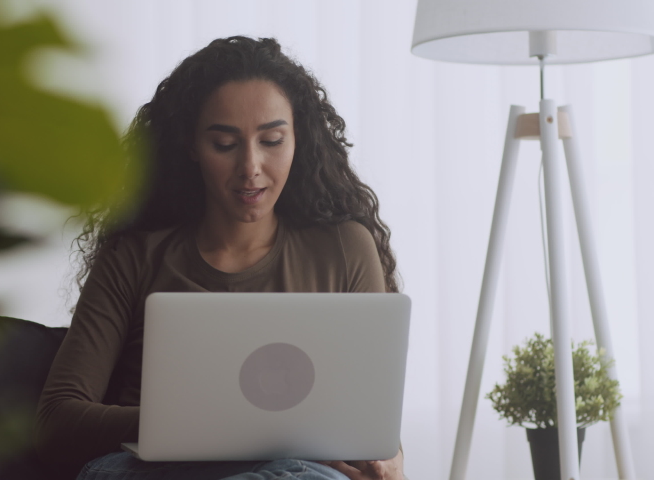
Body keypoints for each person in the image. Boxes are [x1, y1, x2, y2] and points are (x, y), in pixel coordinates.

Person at [35, 36, 404, 480]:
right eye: (225, 144)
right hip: (148, 468)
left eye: (271, 140)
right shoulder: (133, 256)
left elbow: (368, 419)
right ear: (191, 146)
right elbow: (57, 415)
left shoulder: (344, 247)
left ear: (298, 140)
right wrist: (190, 428)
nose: (250, 166)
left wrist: (386, 459)